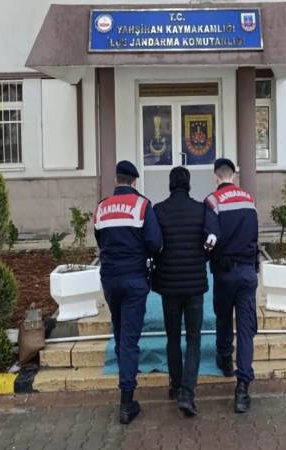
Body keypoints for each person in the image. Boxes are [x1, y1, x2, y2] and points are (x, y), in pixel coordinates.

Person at [94, 160, 163, 425]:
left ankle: (126, 382)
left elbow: (100, 240)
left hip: (110, 279)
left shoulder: (101, 208)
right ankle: (126, 403)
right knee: (130, 339)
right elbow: (155, 244)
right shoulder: (142, 206)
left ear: (117, 180)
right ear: (134, 181)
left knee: (121, 331)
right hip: (134, 279)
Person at [151, 167, 210, 417]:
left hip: (169, 286)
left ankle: (176, 386)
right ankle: (187, 392)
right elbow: (210, 242)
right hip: (195, 286)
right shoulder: (201, 209)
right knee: (194, 339)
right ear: (188, 184)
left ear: (170, 184)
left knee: (173, 337)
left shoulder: (158, 210)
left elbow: (153, 244)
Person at [203, 158, 259, 414]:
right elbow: (255, 235)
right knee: (246, 329)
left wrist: (204, 257)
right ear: (234, 176)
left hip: (225, 273)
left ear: (216, 176)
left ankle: (225, 360)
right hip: (247, 272)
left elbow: (210, 238)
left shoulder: (212, 201)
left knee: (224, 317)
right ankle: (242, 389)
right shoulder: (249, 199)